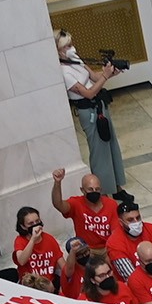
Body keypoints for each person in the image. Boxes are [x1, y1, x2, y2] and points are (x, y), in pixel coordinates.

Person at [55, 33, 124, 193]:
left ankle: (117, 186)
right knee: (99, 151)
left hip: (100, 105)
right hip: (88, 110)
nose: (71, 48)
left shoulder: (76, 61)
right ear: (58, 50)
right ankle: (104, 190)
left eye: (71, 44)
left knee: (111, 144)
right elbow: (88, 93)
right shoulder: (65, 73)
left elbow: (94, 77)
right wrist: (105, 76)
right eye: (66, 46)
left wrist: (111, 72)